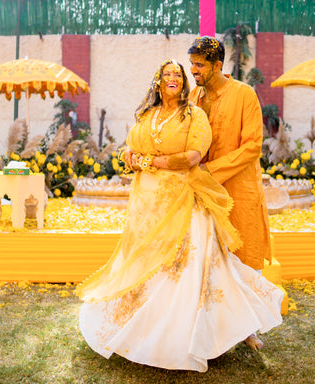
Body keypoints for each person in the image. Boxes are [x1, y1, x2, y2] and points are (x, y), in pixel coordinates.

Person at [75, 59, 283, 372]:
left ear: (184, 83)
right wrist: (131, 157)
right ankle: (143, 329)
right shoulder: (148, 114)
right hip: (148, 207)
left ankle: (194, 335)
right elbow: (129, 149)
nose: (172, 78)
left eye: (178, 74)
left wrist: (150, 162)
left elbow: (193, 157)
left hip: (185, 203)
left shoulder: (194, 115)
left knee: (186, 270)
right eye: (166, 74)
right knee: (146, 268)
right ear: (157, 82)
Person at [188, 36, 271, 273]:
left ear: (217, 65)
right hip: (201, 191)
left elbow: (253, 146)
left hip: (237, 189)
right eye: (192, 63)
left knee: (241, 258)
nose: (193, 70)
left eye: (200, 64)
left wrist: (210, 171)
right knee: (204, 260)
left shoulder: (244, 94)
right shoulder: (193, 97)